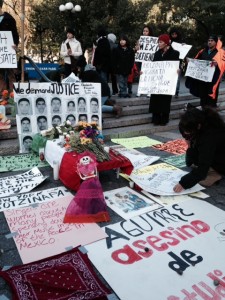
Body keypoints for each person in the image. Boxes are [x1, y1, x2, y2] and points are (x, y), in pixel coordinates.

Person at [173, 107, 225, 192]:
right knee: (193, 164)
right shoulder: (186, 125)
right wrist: (189, 146)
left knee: (202, 178)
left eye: (189, 133)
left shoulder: (209, 137)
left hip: (221, 161)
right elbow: (190, 162)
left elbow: (203, 166)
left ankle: (216, 174)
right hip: (212, 153)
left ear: (198, 126)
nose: (186, 136)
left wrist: (183, 183)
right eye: (184, 134)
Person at [149, 34, 179, 126]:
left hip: (167, 81)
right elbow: (153, 66)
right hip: (157, 81)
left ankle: (164, 118)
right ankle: (155, 118)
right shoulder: (157, 53)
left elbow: (176, 65)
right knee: (155, 98)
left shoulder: (175, 53)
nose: (159, 44)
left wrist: (178, 70)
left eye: (161, 42)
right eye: (158, 42)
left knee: (165, 99)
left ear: (166, 43)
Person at [190, 35, 222, 108]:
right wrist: (190, 62)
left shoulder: (220, 52)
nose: (210, 42)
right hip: (203, 79)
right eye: (209, 41)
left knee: (211, 99)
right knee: (203, 97)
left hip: (213, 80)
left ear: (216, 42)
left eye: (212, 41)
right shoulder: (202, 51)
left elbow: (223, 63)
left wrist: (218, 64)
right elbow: (196, 61)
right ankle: (203, 113)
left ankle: (212, 115)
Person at [0, 0, 19, 93]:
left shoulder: (9, 19)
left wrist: (15, 44)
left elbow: (15, 34)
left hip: (9, 51)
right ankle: (2, 94)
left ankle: (13, 93)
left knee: (11, 73)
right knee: (0, 74)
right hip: (1, 52)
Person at [169, 27, 183, 98]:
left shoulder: (180, 42)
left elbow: (183, 53)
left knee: (177, 78)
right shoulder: (169, 42)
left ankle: (176, 92)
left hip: (178, 62)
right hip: (170, 62)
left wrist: (183, 46)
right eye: (172, 34)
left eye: (175, 34)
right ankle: (170, 90)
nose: (174, 35)